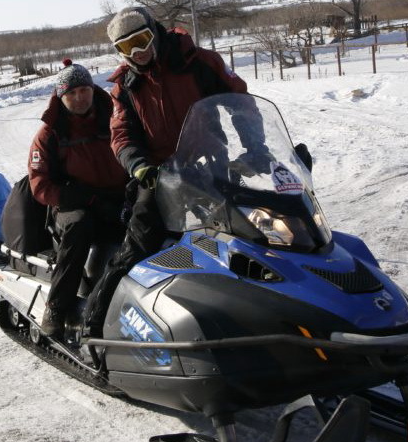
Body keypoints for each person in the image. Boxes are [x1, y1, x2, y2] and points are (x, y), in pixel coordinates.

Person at [81, 7, 251, 336]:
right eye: (128, 48)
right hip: (160, 177)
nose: (139, 52)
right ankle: (95, 327)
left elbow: (239, 100)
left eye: (142, 41)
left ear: (154, 32)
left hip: (210, 168)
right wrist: (139, 165)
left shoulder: (197, 62)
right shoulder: (126, 86)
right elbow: (121, 136)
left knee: (249, 238)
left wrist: (254, 147)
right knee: (137, 246)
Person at [28, 59, 128, 338]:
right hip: (74, 203)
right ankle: (57, 308)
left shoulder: (114, 117)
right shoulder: (50, 134)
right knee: (79, 226)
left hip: (118, 198)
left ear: (92, 90)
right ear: (61, 97)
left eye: (83, 90)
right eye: (71, 93)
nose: (79, 98)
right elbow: (39, 184)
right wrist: (80, 197)